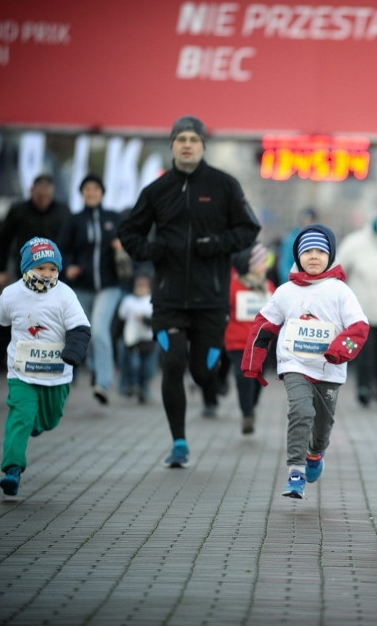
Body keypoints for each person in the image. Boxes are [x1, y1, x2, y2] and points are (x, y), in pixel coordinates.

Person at [118, 115, 261, 467]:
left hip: (211, 299)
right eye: (180, 139)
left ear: (202, 145)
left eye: (193, 139)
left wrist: (217, 244)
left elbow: (249, 229)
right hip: (168, 299)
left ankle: (213, 384)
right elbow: (129, 234)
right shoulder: (157, 190)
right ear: (172, 145)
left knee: (200, 371)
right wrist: (152, 251)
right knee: (172, 363)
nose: (187, 145)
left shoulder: (224, 185)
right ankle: (179, 442)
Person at [241, 224, 369, 498]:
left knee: (322, 426)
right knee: (301, 411)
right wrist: (253, 362)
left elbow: (359, 328)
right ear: (297, 255)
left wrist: (338, 351)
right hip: (294, 364)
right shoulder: (286, 292)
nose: (314, 256)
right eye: (307, 251)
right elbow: (263, 326)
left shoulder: (340, 291)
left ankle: (314, 453)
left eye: (320, 251)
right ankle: (295, 471)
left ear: (330, 255)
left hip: (329, 368)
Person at [0, 237, 90, 496]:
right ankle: (12, 469)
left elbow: (80, 328)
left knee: (50, 420)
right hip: (22, 372)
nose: (47, 274)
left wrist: (73, 353)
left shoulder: (65, 294)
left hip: (56, 373)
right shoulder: (11, 295)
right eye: (41, 268)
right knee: (20, 415)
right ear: (27, 267)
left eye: (53, 269)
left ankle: (38, 423)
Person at [58, 174, 125, 405]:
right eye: (87, 188)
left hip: (109, 286)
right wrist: (68, 268)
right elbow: (61, 250)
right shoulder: (74, 220)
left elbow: (129, 244)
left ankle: (103, 383)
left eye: (95, 188)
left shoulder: (113, 218)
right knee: (83, 334)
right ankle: (95, 369)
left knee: (99, 330)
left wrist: (121, 245)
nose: (91, 192)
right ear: (81, 192)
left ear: (102, 192)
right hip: (81, 287)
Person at [334, 216, 377, 406]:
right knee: (365, 354)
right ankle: (364, 389)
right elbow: (339, 271)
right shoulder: (354, 243)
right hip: (362, 310)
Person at [226, 243, 274, 434]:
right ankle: (246, 413)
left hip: (261, 344)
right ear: (250, 265)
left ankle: (251, 405)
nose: (265, 264)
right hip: (237, 342)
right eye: (261, 261)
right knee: (242, 377)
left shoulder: (268, 286)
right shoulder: (233, 285)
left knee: (257, 378)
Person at [0, 174, 70, 287]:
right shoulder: (18, 211)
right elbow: (3, 241)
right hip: (24, 271)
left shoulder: (63, 212)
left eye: (47, 196)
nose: (43, 200)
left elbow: (71, 241)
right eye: (40, 196)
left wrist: (69, 266)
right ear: (31, 191)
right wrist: (0, 270)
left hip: (56, 273)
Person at [116, 272, 157, 404]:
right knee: (134, 365)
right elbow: (121, 319)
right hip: (133, 340)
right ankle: (134, 386)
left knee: (148, 368)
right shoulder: (128, 301)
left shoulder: (152, 301)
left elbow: (155, 321)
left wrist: (144, 319)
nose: (140, 289)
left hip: (149, 340)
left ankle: (144, 388)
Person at [276, 207, 317, 284]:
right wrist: (292, 281)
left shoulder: (318, 240)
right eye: (305, 219)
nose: (307, 223)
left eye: (310, 220)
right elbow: (285, 265)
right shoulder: (291, 240)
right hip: (292, 283)